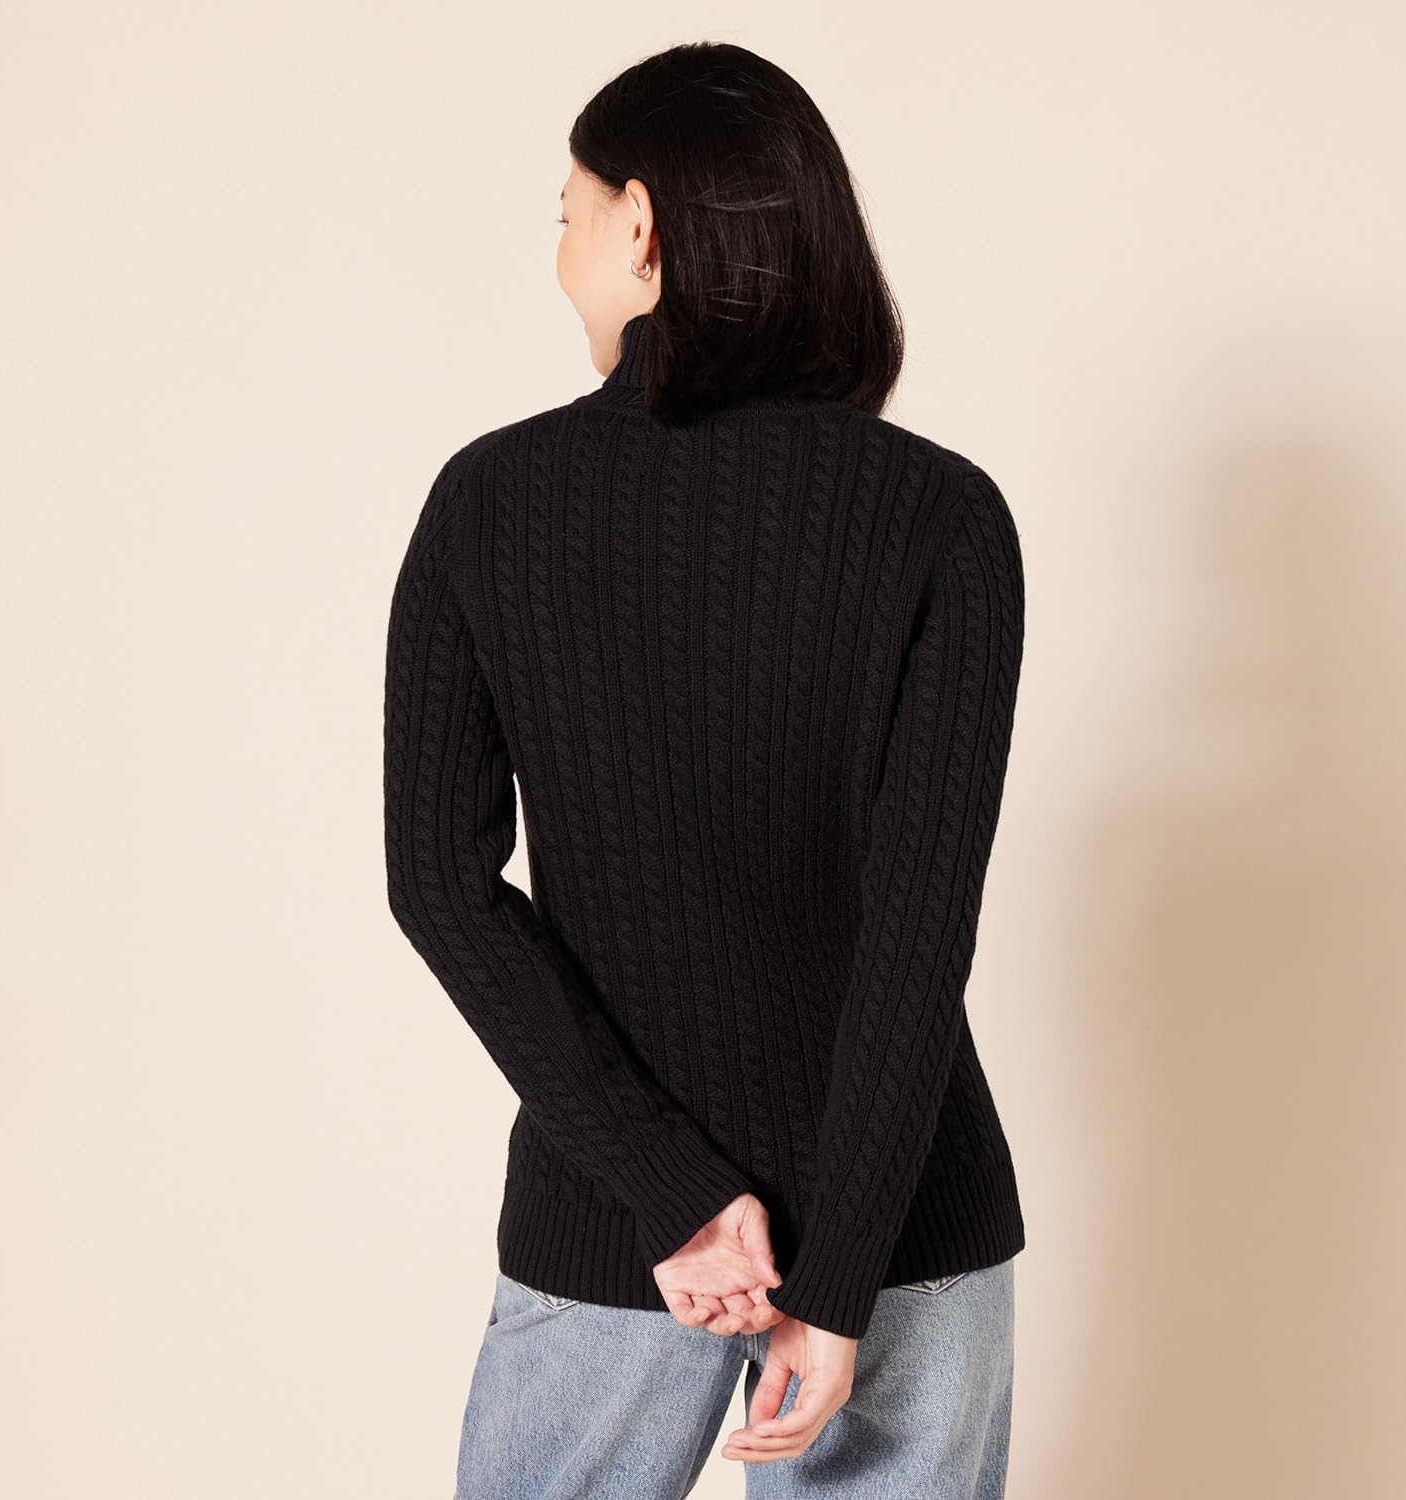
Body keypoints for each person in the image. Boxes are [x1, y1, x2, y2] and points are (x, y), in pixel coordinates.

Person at [383, 40, 1026, 1500]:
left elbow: (438, 885)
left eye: (566, 214)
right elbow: (919, 933)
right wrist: (839, 1273)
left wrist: (676, 1196)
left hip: (614, 1217)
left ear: (640, 226)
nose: (559, 255)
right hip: (904, 1221)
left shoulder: (491, 501)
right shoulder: (941, 514)